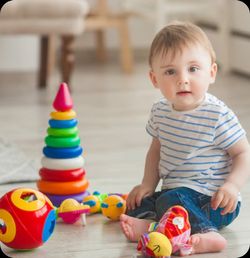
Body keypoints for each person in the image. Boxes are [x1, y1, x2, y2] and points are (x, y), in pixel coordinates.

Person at [120, 21, 250, 255]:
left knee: (172, 199)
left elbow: (243, 153)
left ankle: (208, 233)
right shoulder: (160, 111)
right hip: (177, 195)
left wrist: (232, 186)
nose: (183, 79)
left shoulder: (217, 114)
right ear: (154, 79)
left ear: (211, 72)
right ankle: (154, 228)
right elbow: (155, 151)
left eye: (193, 69)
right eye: (170, 71)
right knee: (136, 205)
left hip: (214, 201)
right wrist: (147, 185)